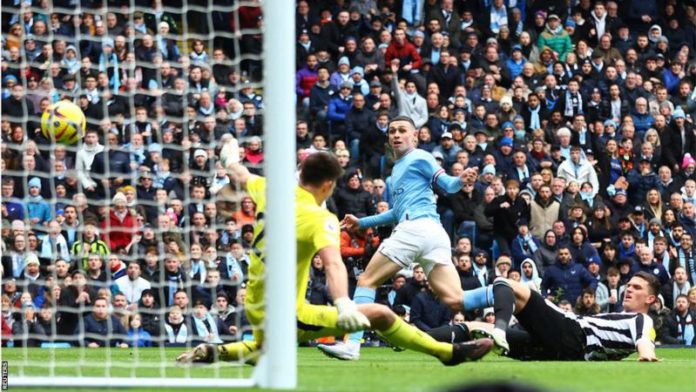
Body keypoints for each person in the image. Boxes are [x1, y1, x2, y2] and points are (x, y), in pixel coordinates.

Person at [176, 142, 492, 366]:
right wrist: (342, 303)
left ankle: (215, 352)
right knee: (380, 314)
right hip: (286, 312)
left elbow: (240, 174)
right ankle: (447, 354)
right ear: (328, 185)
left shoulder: (269, 189)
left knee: (266, 348)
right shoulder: (320, 218)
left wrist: (229, 154)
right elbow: (333, 264)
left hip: (256, 302)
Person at [318, 116, 483, 361]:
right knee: (455, 298)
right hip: (434, 233)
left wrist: (461, 179)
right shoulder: (397, 170)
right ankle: (504, 293)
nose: (396, 134)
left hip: (415, 229)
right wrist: (362, 223)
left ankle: (352, 345)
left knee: (366, 281)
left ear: (414, 136)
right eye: (392, 131)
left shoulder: (421, 157)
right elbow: (395, 212)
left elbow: (448, 186)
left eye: (402, 130)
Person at [428, 271, 661, 361]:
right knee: (473, 329)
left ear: (651, 300)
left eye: (637, 288)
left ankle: (499, 328)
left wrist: (647, 355)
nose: (629, 289)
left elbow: (645, 339)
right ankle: (410, 338)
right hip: (563, 352)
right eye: (628, 285)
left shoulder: (641, 320)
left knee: (509, 285)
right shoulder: (620, 319)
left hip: (571, 333)